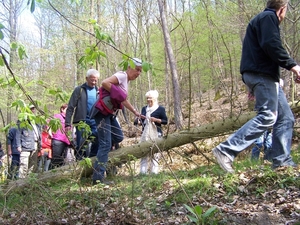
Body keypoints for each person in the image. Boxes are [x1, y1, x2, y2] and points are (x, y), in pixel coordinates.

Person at [212, 0, 300, 173]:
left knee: (286, 118)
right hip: (261, 75)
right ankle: (226, 150)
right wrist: (293, 66)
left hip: (263, 75)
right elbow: (271, 45)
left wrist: (274, 77)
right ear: (282, 9)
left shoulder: (261, 19)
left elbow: (261, 50)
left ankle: (281, 161)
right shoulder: (268, 17)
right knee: (268, 116)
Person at [91, 58, 143, 185]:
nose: (138, 73)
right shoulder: (122, 76)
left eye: (140, 71)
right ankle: (98, 178)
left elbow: (123, 99)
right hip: (102, 112)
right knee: (106, 144)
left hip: (109, 114)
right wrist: (118, 93)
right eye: (137, 70)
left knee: (118, 136)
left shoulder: (126, 82)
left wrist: (135, 111)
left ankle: (95, 138)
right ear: (130, 67)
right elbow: (104, 83)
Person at [65, 69, 99, 160]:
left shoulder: (98, 91)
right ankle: (80, 161)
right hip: (82, 121)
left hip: (95, 120)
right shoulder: (79, 90)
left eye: (96, 80)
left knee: (97, 139)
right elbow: (71, 107)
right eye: (92, 80)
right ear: (86, 78)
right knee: (82, 143)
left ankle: (92, 160)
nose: (94, 82)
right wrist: (67, 123)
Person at [135, 90, 168, 174]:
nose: (148, 100)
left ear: (155, 98)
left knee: (155, 153)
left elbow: (165, 121)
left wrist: (156, 120)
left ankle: (154, 172)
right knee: (144, 152)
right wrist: (138, 121)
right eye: (147, 98)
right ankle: (143, 172)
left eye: (150, 98)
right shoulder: (144, 109)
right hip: (145, 134)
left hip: (157, 133)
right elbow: (138, 120)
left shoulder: (160, 109)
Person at [17, 105, 42, 178]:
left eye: (34, 109)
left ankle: (29, 181)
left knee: (33, 165)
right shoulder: (22, 120)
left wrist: (41, 145)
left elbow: (39, 134)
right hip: (25, 145)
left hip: (35, 144)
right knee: (24, 165)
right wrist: (18, 145)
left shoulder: (37, 121)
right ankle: (20, 181)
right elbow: (18, 133)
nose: (33, 110)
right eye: (31, 109)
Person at [51, 104, 70, 169]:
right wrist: (51, 134)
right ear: (62, 109)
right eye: (67, 109)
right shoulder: (57, 116)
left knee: (62, 160)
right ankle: (51, 174)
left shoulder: (68, 119)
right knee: (56, 159)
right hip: (58, 140)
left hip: (66, 141)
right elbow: (48, 124)